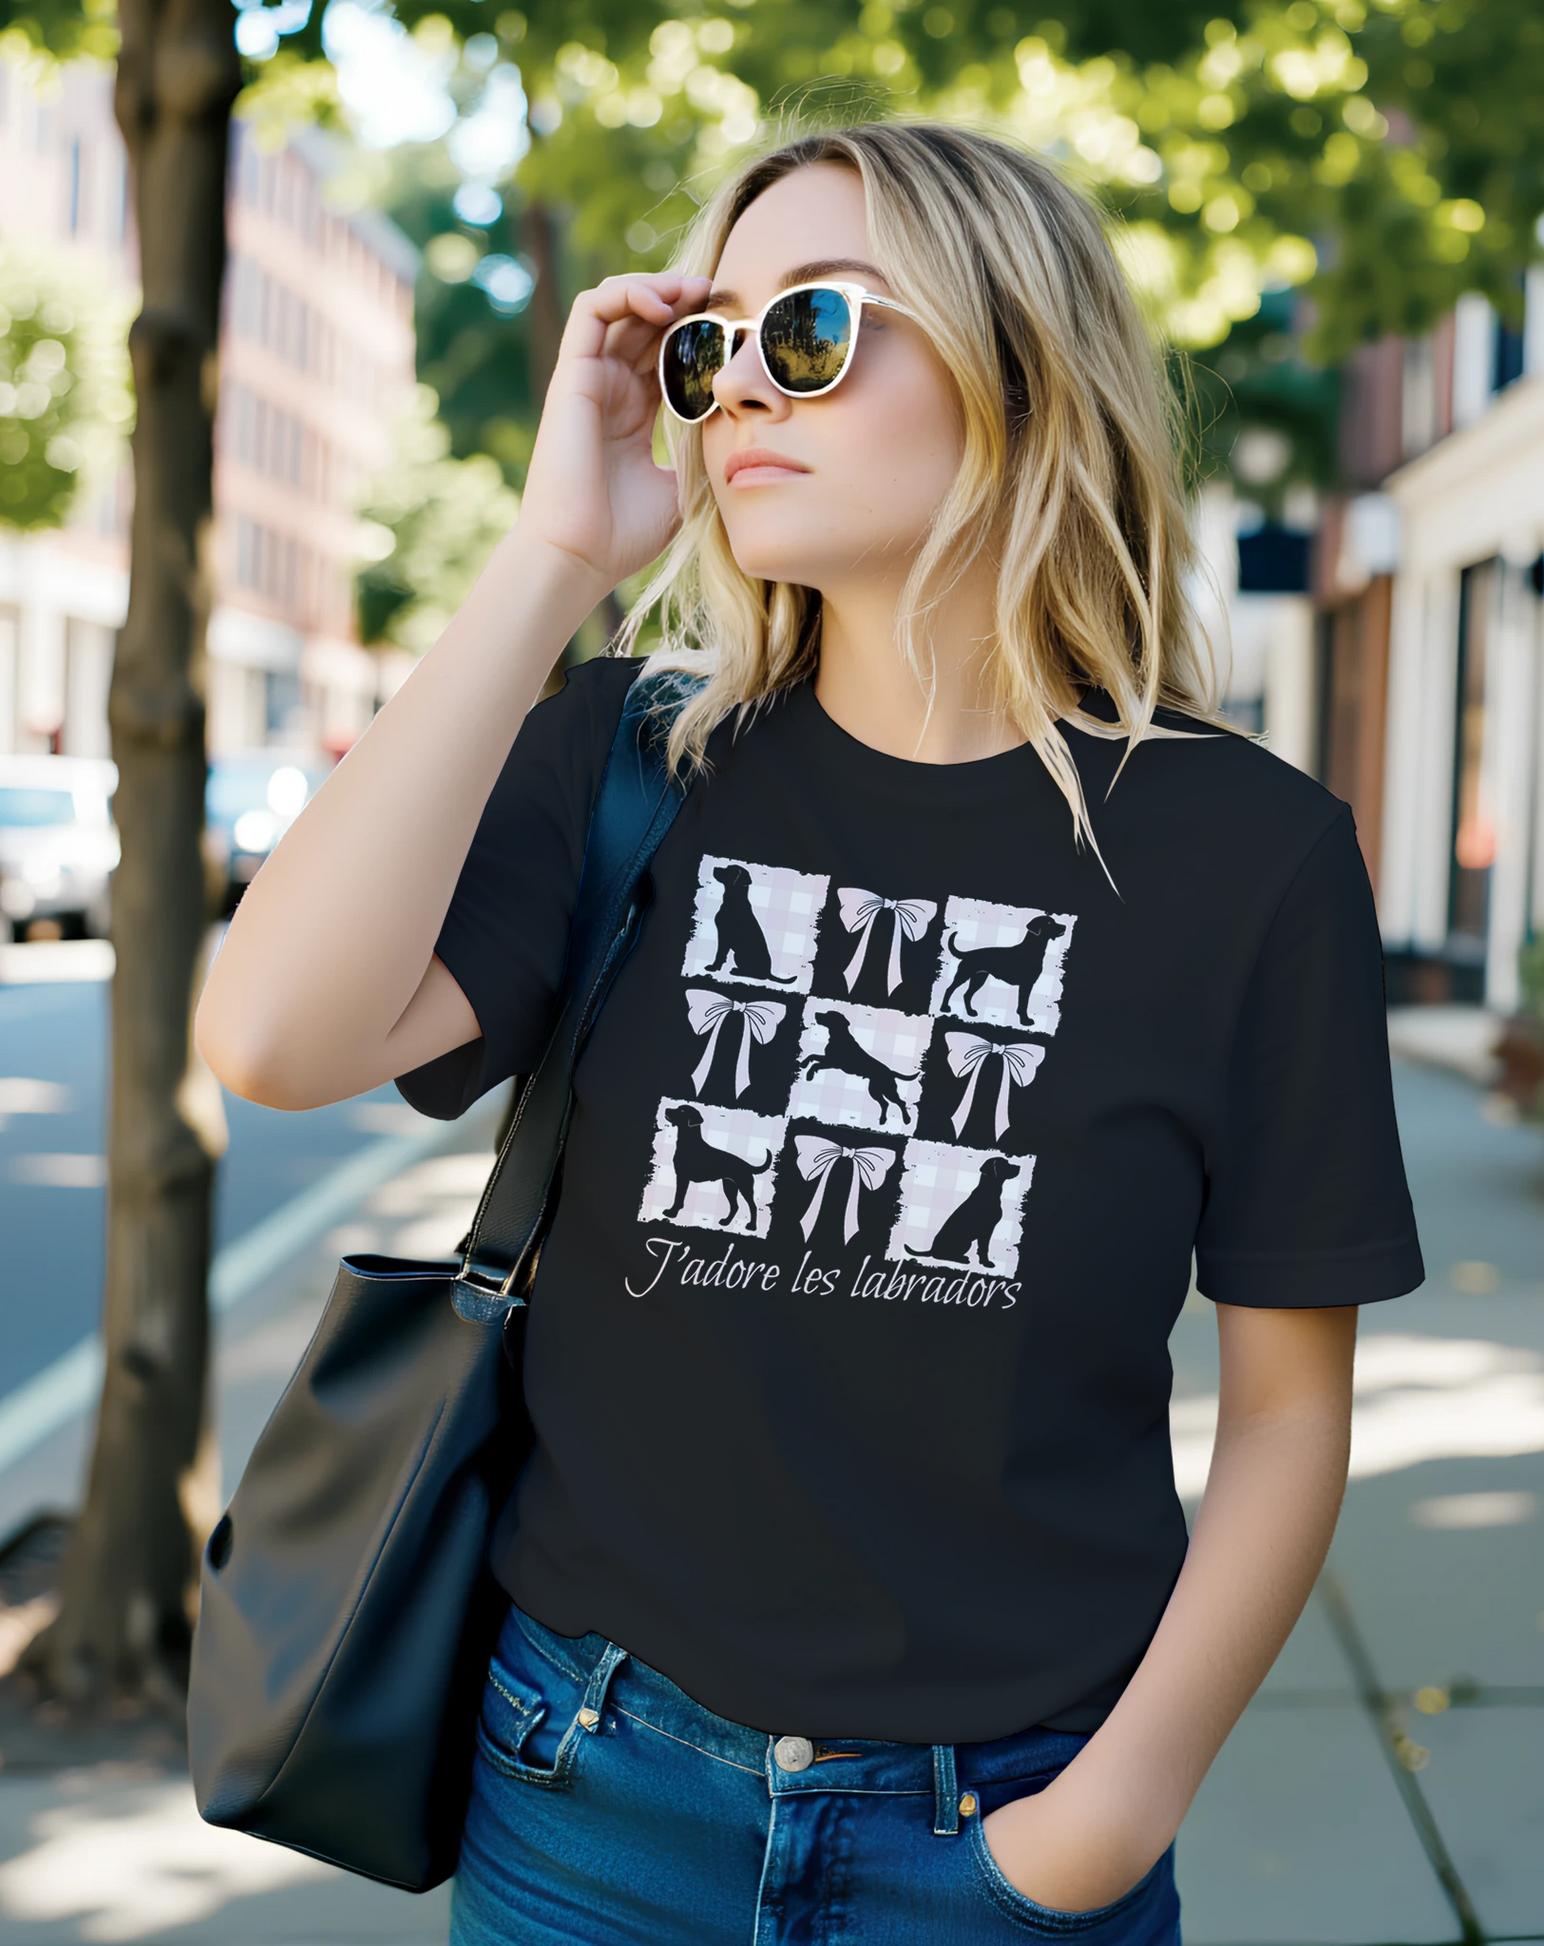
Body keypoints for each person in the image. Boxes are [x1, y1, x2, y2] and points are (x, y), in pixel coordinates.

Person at [198, 120, 1422, 1945]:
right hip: (590, 1794)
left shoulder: (1247, 860)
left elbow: (1284, 1411)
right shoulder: (627, 762)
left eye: (815, 334)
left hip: (1002, 1832)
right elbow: (274, 1035)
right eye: (710, 348)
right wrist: (551, 556)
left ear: (1016, 360)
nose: (736, 393)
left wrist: (1103, 1817)